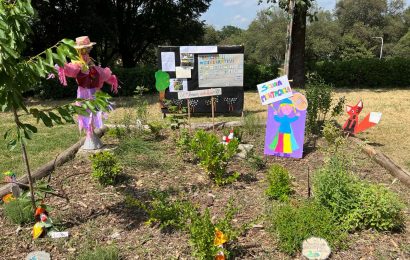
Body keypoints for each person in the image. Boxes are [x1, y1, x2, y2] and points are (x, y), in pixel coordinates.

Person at [56, 36, 118, 146]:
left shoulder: (89, 62)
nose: (86, 51)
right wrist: (61, 66)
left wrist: (109, 78)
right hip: (84, 93)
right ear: (78, 50)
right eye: (84, 49)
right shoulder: (77, 64)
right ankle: (90, 136)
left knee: (94, 112)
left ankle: (92, 134)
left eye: (88, 49)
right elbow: (70, 70)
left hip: (94, 92)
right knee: (86, 113)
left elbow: (100, 73)